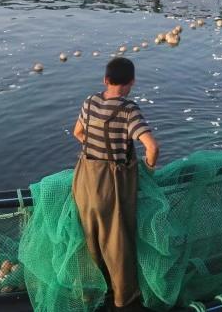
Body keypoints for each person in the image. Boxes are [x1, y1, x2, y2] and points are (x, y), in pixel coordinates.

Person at [72, 57, 160, 310]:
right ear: (132, 81)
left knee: (90, 238)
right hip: (111, 185)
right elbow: (152, 147)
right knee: (116, 243)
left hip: (84, 181)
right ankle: (124, 297)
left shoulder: (90, 102)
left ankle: (93, 291)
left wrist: (98, 150)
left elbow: (78, 133)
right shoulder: (128, 110)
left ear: (106, 80)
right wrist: (149, 170)